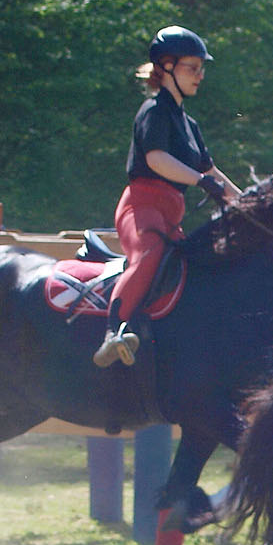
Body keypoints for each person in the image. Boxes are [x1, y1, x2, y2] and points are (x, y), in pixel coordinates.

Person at [95, 25, 242, 368]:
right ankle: (112, 333)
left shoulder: (190, 125)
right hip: (141, 208)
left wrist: (249, 202)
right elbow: (156, 159)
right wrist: (200, 182)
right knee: (150, 254)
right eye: (193, 68)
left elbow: (211, 172)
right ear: (165, 67)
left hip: (170, 215)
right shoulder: (154, 111)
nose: (200, 76)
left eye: (201, 69)